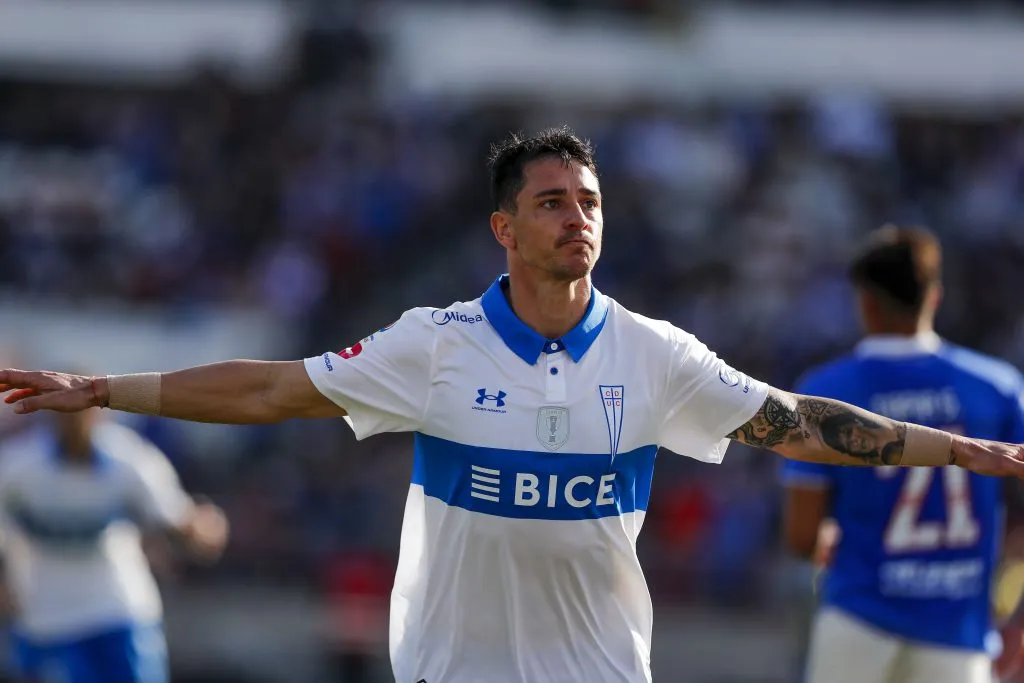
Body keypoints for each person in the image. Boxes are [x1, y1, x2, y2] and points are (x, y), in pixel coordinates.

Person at [1, 128, 1023, 683]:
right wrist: (108, 388)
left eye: (589, 202)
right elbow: (273, 387)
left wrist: (952, 448)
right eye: (551, 202)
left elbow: (796, 422)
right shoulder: (434, 342)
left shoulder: (655, 353)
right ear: (503, 227)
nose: (578, 218)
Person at [781, 226, 1024, 683]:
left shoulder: (826, 390)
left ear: (865, 302)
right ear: (935, 296)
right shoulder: (997, 386)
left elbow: (800, 535)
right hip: (958, 629)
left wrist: (824, 539)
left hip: (858, 620)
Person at [0, 406, 229, 683]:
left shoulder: (129, 459)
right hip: (47, 620)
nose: (73, 419)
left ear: (99, 413)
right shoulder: (18, 467)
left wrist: (200, 530)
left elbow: (175, 518)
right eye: (64, 410)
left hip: (117, 613)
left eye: (81, 410)